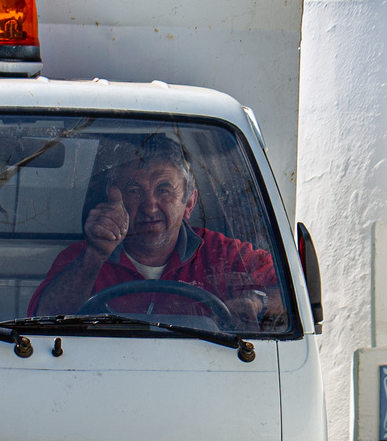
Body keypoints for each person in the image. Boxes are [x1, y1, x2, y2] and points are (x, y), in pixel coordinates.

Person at [27, 135, 286, 328]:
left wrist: (258, 301)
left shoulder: (222, 253)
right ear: (114, 199)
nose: (150, 207)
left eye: (164, 189)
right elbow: (41, 321)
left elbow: (290, 292)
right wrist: (96, 254)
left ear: (189, 203)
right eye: (134, 190)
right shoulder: (85, 257)